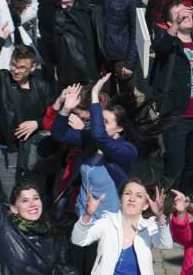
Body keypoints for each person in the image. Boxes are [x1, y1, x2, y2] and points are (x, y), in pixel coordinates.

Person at [0, 122, 76, 275]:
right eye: (24, 200)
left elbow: (66, 266)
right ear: (13, 208)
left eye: (35, 198)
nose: (32, 204)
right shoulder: (5, 230)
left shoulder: (52, 229)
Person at [150, 0, 193, 199]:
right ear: (171, 21)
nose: (185, 14)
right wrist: (174, 26)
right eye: (178, 13)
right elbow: (161, 47)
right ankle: (167, 203)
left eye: (186, 11)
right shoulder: (169, 44)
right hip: (176, 116)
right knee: (175, 165)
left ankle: (187, 200)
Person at [0, 23, 53, 198]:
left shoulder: (42, 86)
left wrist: (37, 123)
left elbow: (53, 115)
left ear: (32, 68)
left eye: (22, 68)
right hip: (7, 149)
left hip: (33, 149)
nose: (16, 71)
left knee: (35, 194)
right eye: (14, 65)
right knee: (11, 195)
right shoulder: (3, 79)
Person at [51, 77, 137, 220]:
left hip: (110, 222)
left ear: (119, 128)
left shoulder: (127, 150)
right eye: (100, 120)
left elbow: (100, 137)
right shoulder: (91, 140)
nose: (100, 124)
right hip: (84, 216)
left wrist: (95, 95)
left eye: (106, 122)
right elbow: (59, 134)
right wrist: (66, 109)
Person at [71, 179, 173, 275]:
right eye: (128, 193)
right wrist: (87, 215)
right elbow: (78, 240)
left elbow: (166, 244)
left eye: (139, 196)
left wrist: (159, 217)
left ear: (145, 205)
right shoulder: (107, 222)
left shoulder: (148, 226)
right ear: (120, 200)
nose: (132, 199)